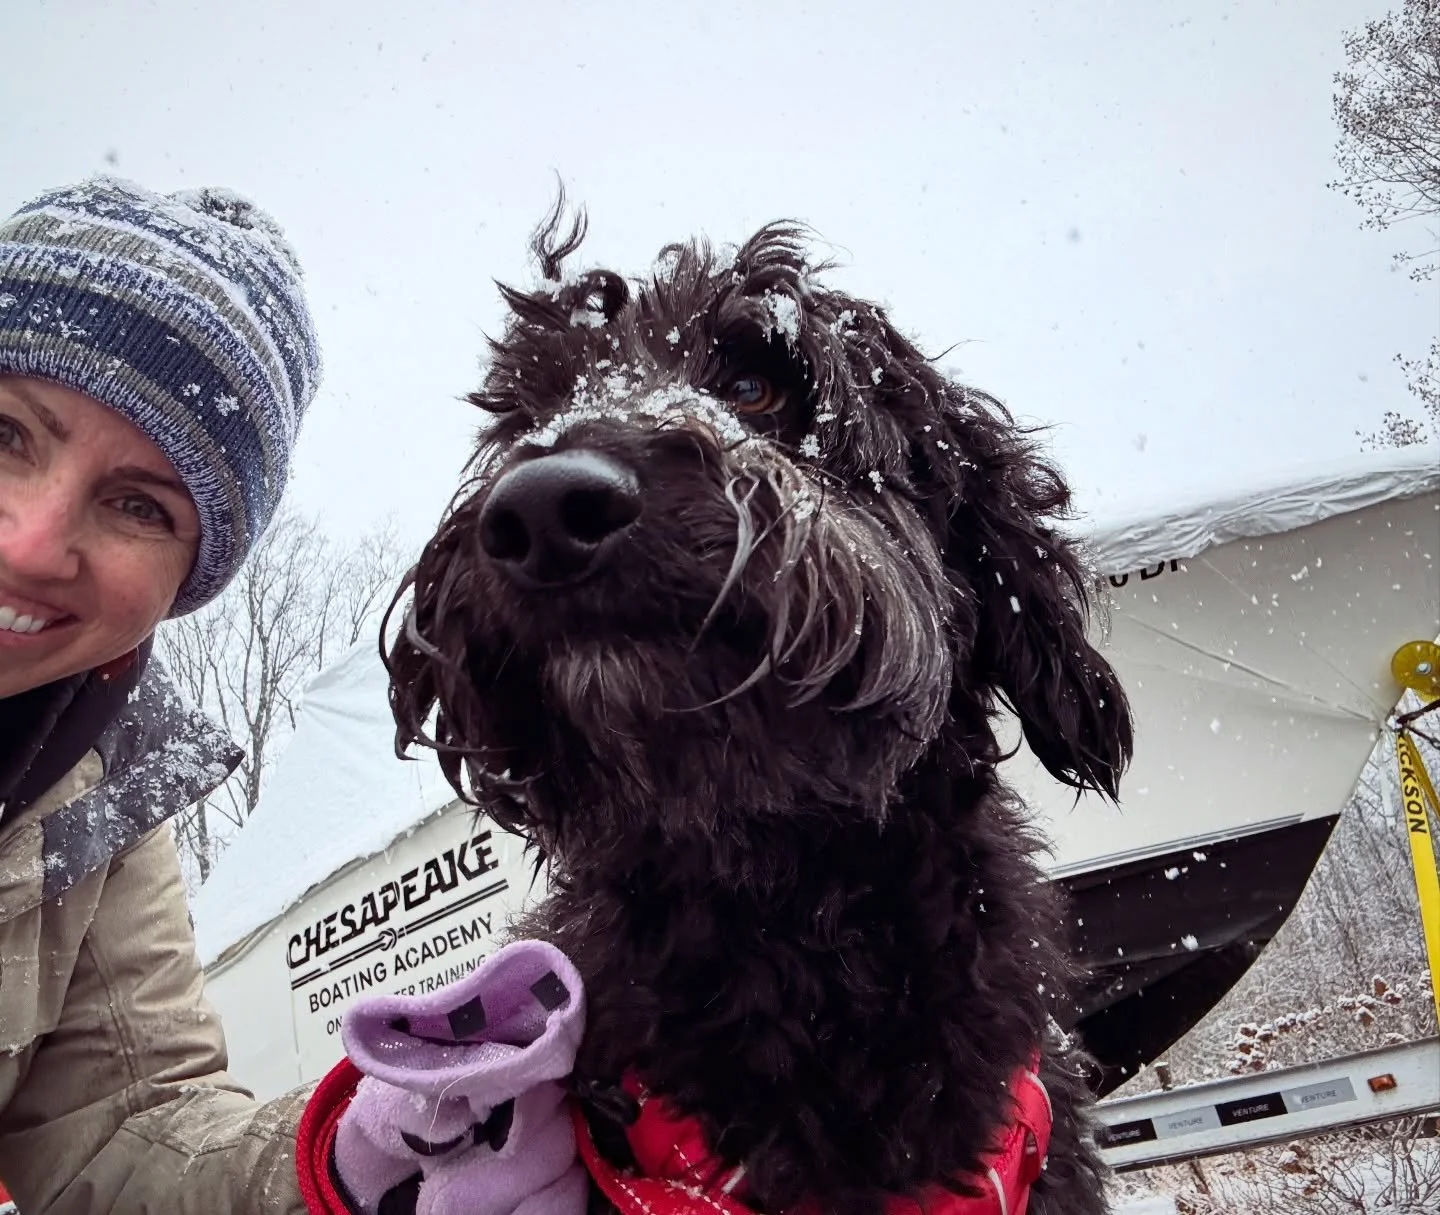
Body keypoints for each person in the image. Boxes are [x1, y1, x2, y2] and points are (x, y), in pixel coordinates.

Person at [0, 176, 321, 1212]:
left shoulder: (96, 803)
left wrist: (354, 1152)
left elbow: (128, 1128)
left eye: (139, 503)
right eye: (8, 436)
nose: (34, 543)